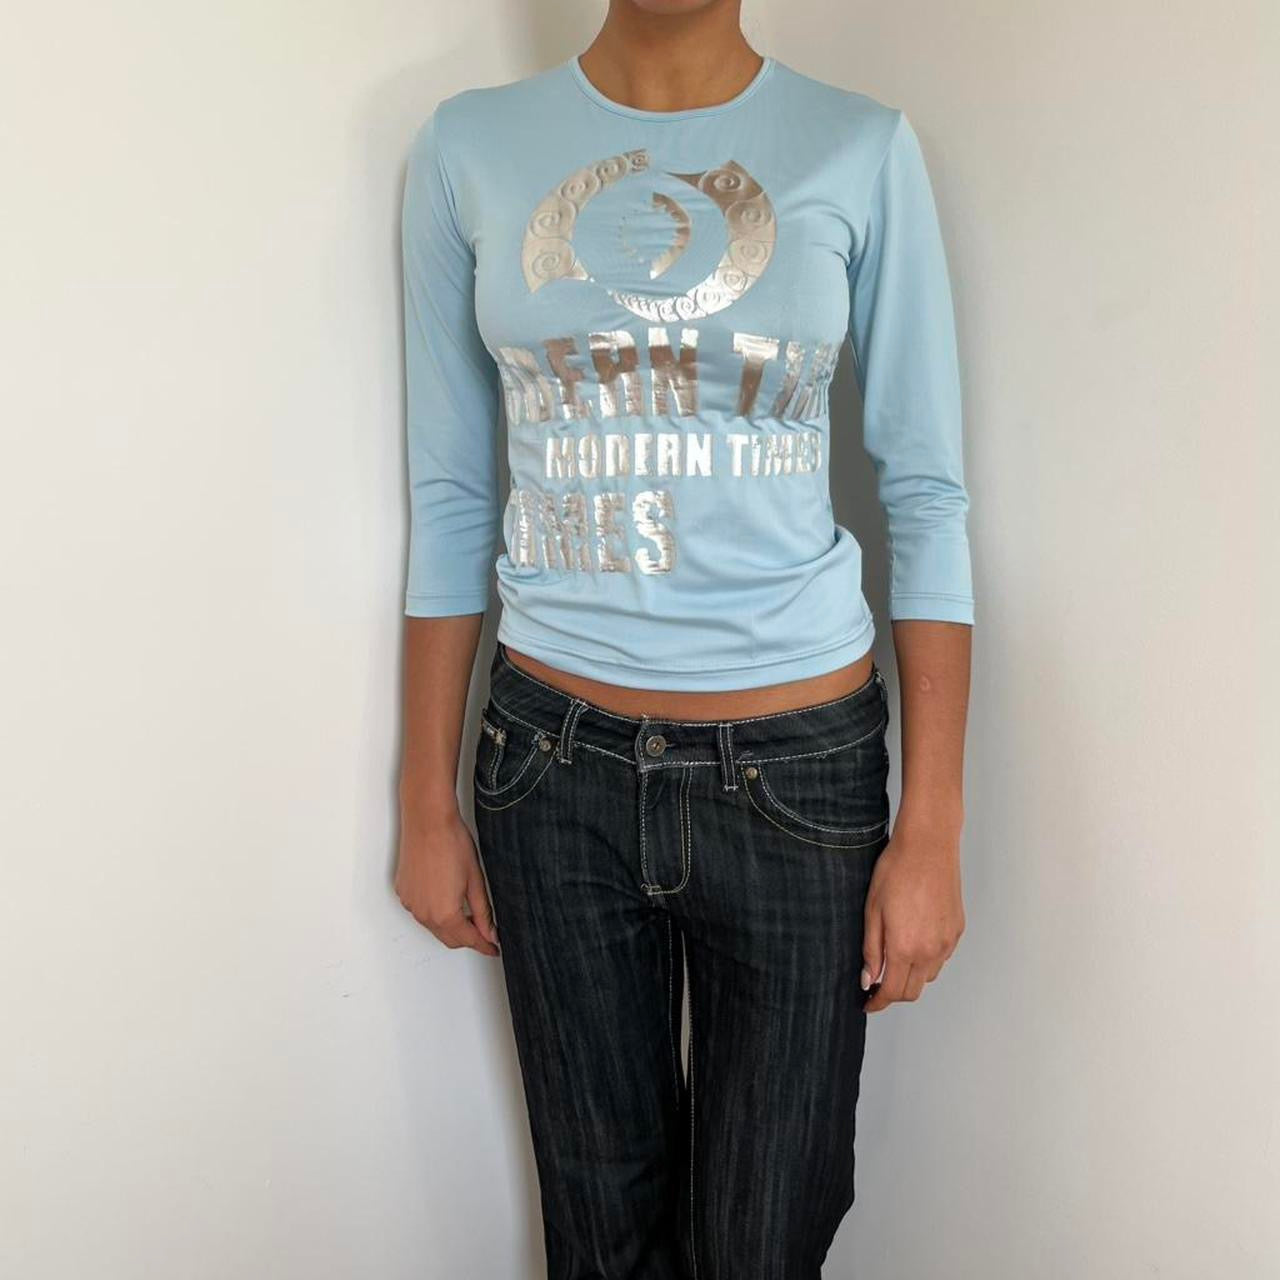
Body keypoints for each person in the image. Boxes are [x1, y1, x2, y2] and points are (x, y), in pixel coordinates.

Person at [394, 2, 973, 1275]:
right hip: (548, 770)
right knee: (596, 1231)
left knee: (761, 1236)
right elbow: (450, 492)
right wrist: (423, 799)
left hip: (798, 777)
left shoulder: (857, 146)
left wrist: (931, 828)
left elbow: (927, 492)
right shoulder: (468, 147)